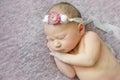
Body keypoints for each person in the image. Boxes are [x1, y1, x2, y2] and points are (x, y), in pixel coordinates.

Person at [42, 2, 120, 80]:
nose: (56, 44)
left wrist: (63, 57)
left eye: (61, 37)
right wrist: (56, 55)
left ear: (80, 29)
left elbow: (90, 60)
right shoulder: (69, 54)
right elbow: (70, 73)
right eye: (51, 39)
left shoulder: (89, 37)